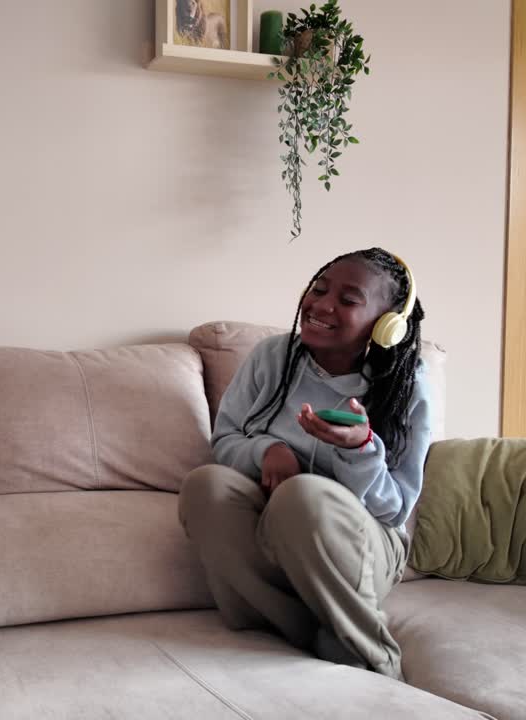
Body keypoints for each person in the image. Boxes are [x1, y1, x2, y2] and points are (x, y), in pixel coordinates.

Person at [178, 247, 431, 681]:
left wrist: (360, 449)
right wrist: (269, 451)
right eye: (319, 288)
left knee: (303, 494)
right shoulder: (272, 357)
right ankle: (292, 634)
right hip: (275, 530)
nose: (322, 305)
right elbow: (226, 441)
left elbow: (394, 510)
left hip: (365, 544)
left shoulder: (406, 385)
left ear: (388, 324)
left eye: (348, 300)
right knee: (207, 486)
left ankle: (373, 659)